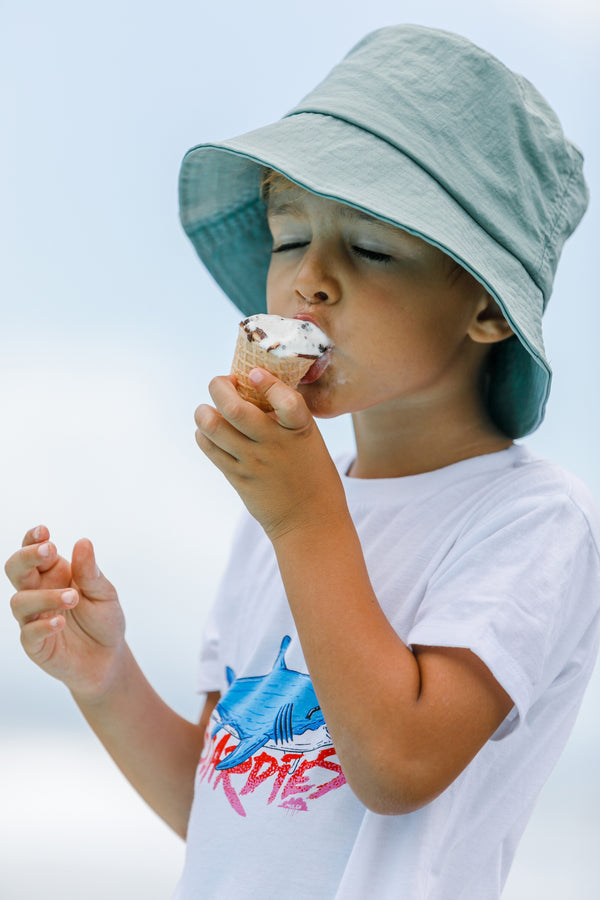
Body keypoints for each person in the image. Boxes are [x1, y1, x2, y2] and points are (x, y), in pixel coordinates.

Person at [6, 24, 600, 900]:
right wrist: (105, 679)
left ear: (486, 306)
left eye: (368, 248)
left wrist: (304, 515)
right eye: (288, 238)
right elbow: (221, 808)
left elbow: (397, 765)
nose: (307, 282)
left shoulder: (533, 522)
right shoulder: (279, 520)